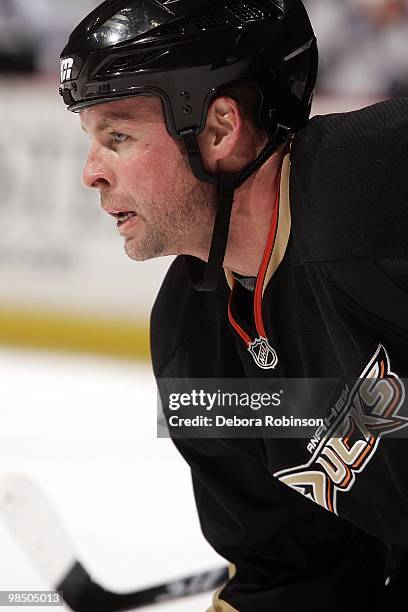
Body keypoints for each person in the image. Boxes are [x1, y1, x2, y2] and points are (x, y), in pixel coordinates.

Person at [59, 0, 408, 609]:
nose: (91, 173)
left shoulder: (377, 184)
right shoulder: (193, 344)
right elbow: (298, 573)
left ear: (220, 128)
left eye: (117, 136)